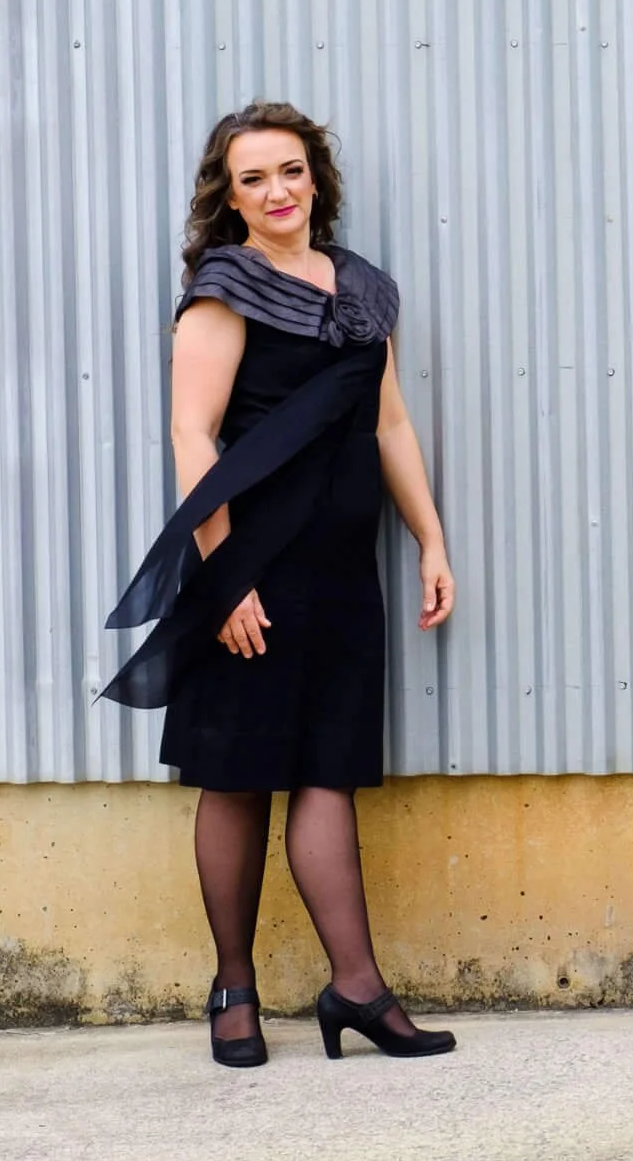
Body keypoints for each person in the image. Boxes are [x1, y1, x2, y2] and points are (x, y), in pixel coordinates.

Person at [104, 102, 458, 1068]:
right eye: (253, 178)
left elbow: (389, 422)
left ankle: (357, 987)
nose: (277, 192)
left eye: (291, 171)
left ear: (316, 179)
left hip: (342, 572)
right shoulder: (223, 289)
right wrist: (225, 578)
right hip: (253, 566)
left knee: (326, 767)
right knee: (238, 773)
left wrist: (430, 539)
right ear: (230, 197)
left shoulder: (362, 291)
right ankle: (234, 989)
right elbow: (192, 434)